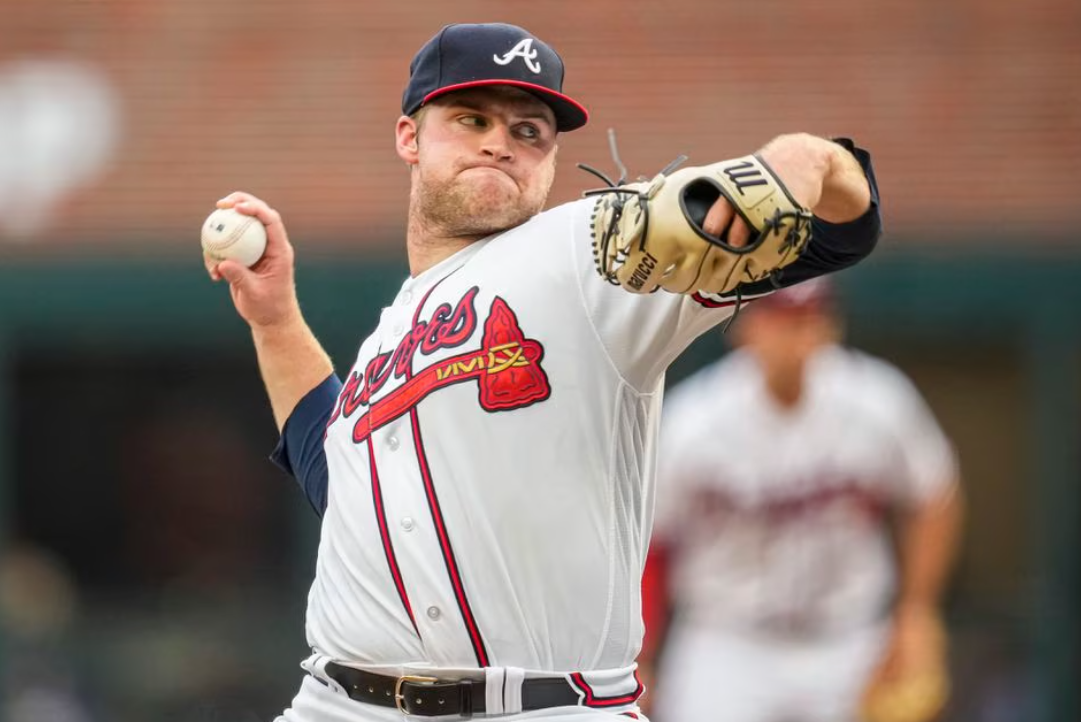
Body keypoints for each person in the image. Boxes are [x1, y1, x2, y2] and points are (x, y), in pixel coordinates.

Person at [204, 22, 882, 722]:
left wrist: (803, 162)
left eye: (529, 131)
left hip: (547, 708)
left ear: (551, 161)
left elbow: (840, 229)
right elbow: (336, 477)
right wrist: (276, 322)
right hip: (339, 704)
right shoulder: (391, 335)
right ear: (409, 137)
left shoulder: (586, 257)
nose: (500, 141)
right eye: (471, 120)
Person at [639, 278, 964, 722]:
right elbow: (652, 542)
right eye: (778, 320)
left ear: (831, 327)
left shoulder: (877, 400)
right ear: (744, 328)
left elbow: (935, 495)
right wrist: (642, 655)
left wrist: (916, 611)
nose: (794, 337)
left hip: (848, 637)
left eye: (808, 320)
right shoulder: (694, 420)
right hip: (728, 644)